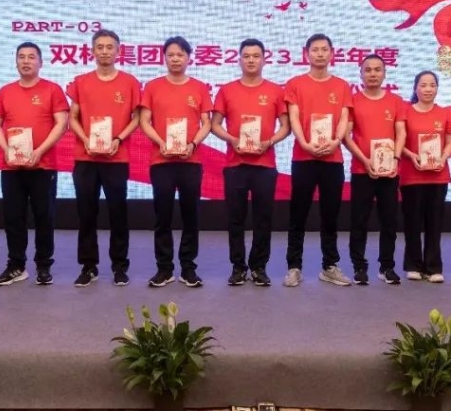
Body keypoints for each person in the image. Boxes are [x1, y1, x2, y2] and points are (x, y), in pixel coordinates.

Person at [0, 42, 69, 286]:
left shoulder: (52, 90)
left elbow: (62, 123)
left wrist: (39, 150)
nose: (26, 61)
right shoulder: (5, 91)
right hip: (12, 166)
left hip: (43, 165)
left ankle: (43, 266)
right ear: (16, 62)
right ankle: (16, 265)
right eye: (21, 57)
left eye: (31, 57)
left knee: (44, 216)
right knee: (13, 217)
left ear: (40, 62)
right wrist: (6, 149)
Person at [211, 38, 290, 287]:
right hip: (235, 165)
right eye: (246, 56)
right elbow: (215, 125)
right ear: (239, 60)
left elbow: (286, 126)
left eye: (256, 56)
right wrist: (232, 139)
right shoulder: (227, 90)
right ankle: (238, 267)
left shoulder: (276, 91)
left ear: (264, 60)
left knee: (263, 218)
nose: (251, 60)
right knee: (235, 219)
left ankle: (258, 267)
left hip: (265, 165)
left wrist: (269, 141)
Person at [67, 29, 140, 287]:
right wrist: (86, 140)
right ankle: (88, 266)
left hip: (116, 158)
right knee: (86, 213)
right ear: (92, 51)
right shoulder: (81, 82)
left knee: (118, 213)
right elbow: (72, 117)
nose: (105, 51)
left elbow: (136, 118)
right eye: (100, 47)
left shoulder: (130, 82)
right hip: (85, 158)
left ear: (119, 51)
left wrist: (118, 139)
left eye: (110, 47)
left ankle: (120, 266)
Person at [139, 36, 213, 288]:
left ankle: (189, 268)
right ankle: (164, 269)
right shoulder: (153, 87)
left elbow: (206, 123)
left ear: (189, 58)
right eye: (170, 55)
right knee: (163, 215)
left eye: (180, 54)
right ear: (164, 58)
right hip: (161, 160)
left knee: (191, 215)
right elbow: (144, 121)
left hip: (191, 160)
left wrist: (193, 144)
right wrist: (161, 142)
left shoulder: (199, 87)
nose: (175, 59)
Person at [283, 33, 353, 287]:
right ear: (307, 54)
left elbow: (344, 118)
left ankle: (330, 266)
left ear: (332, 53)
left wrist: (335, 141)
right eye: (315, 50)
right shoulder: (295, 84)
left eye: (325, 49)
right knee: (298, 214)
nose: (320, 54)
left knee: (330, 215)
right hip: (303, 158)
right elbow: (293, 117)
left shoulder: (342, 86)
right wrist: (305, 143)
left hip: (332, 159)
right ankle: (294, 267)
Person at [343, 54, 407, 285]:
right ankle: (359, 266)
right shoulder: (353, 101)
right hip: (362, 170)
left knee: (389, 220)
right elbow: (346, 136)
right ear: (361, 74)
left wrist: (396, 159)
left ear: (384, 73)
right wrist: (364, 160)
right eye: (368, 70)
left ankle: (386, 266)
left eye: (377, 70)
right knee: (359, 220)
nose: (373, 74)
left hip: (389, 171)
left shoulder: (396, 101)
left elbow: (401, 133)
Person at [398, 70, 451, 284]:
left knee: (435, 223)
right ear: (415, 88)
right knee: (412, 222)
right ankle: (413, 265)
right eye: (423, 85)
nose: (428, 89)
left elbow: (450, 142)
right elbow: (398, 141)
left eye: (432, 85)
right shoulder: (406, 112)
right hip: (412, 175)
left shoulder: (445, 113)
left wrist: (443, 157)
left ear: (437, 88)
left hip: (438, 176)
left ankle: (433, 267)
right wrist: (412, 155)